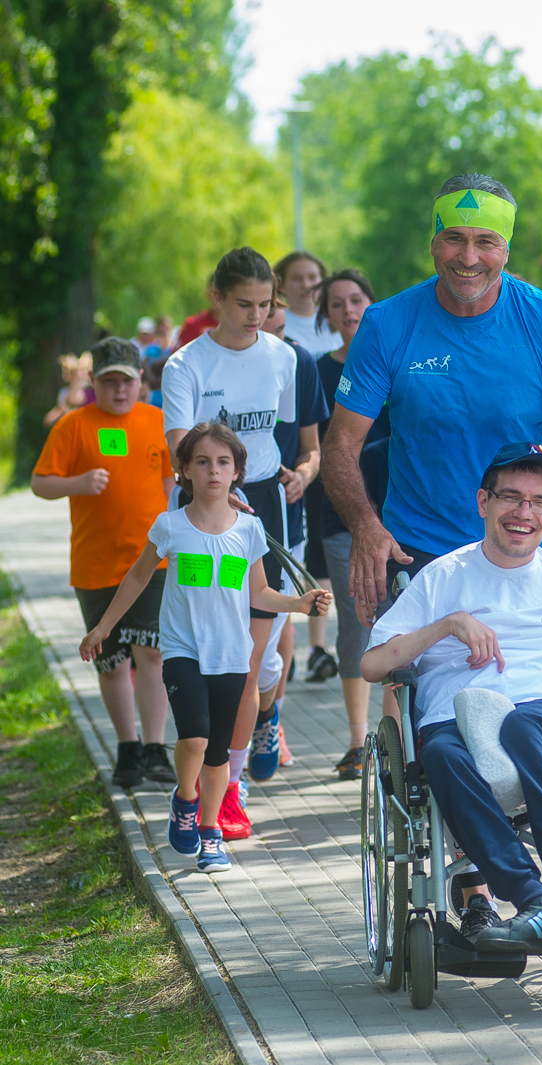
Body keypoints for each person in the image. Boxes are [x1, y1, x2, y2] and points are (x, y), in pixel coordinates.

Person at [362, 442, 542, 950]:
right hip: (456, 718)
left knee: (519, 725)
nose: (524, 513)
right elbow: (372, 663)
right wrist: (447, 625)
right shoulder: (443, 576)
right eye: (511, 498)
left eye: (539, 502)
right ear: (483, 502)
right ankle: (533, 902)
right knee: (443, 753)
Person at [322, 173, 542, 628]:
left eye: (486, 242)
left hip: (524, 554)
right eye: (454, 238)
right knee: (423, 696)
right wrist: (364, 526)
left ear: (507, 250)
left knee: (530, 694)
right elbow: (339, 444)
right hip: (417, 555)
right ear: (433, 242)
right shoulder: (386, 324)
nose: (469, 257)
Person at [79, 423, 330, 873]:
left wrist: (300, 603)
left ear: (237, 473)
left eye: (223, 462)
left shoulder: (251, 530)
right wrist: (103, 627)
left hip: (232, 654)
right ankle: (185, 797)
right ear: (185, 471)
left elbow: (259, 594)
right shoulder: (170, 525)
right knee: (194, 738)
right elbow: (137, 577)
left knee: (217, 751)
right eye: (202, 461)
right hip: (182, 650)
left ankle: (210, 830)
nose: (213, 470)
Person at [161, 246, 318, 839]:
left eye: (265, 305)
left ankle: (230, 791)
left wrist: (298, 471)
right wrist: (219, 492)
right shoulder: (185, 366)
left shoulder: (284, 358)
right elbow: (183, 450)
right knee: (214, 658)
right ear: (217, 298)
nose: (256, 316)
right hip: (205, 511)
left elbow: (285, 436)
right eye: (244, 305)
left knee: (250, 664)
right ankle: (201, 781)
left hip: (263, 507)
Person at [32, 337, 176, 788]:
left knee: (152, 652)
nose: (119, 391)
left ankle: (156, 747)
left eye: (126, 382)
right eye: (109, 382)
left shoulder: (158, 421)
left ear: (141, 385)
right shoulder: (74, 425)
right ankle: (127, 748)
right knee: (110, 659)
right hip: (96, 564)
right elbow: (40, 483)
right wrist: (76, 482)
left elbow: (173, 478)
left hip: (153, 563)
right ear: (93, 383)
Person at [310, 269, 390, 778]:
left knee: (403, 622)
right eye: (336, 304)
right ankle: (359, 741)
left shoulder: (395, 358)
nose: (348, 311)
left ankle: (403, 738)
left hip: (400, 510)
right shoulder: (317, 371)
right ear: (326, 315)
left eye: (356, 300)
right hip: (340, 515)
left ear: (371, 304)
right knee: (356, 621)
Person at [257, 295, 331, 770]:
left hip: (283, 513)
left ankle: (270, 718)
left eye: (284, 329)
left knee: (278, 622)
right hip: (229, 511)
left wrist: (302, 476)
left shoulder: (298, 362)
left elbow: (313, 449)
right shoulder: (213, 364)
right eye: (269, 328)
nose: (278, 340)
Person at [273, 251, 342, 356]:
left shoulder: (337, 317)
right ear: (281, 284)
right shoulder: (274, 323)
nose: (306, 285)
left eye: (312, 277)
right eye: (297, 279)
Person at [45, 353, 94, 427]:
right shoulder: (64, 391)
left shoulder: (85, 388)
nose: (64, 375)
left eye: (67, 372)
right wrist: (53, 415)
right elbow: (61, 408)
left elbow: (72, 399)